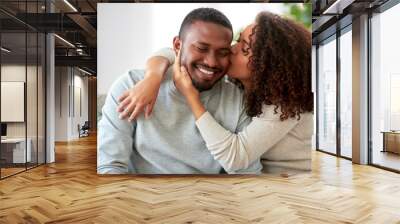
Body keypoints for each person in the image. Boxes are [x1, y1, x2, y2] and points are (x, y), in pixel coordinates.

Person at [117, 11, 313, 174]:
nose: (232, 49)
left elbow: (235, 158)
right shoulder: (239, 83)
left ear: (267, 65)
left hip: (288, 185)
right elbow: (176, 52)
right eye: (238, 41)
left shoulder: (284, 105)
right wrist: (153, 77)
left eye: (244, 48)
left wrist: (192, 96)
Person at [97, 8, 262, 174]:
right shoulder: (130, 85)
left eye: (222, 52)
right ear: (177, 45)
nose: (211, 62)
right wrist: (153, 76)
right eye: (201, 48)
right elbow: (110, 167)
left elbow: (247, 174)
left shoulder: (236, 100)